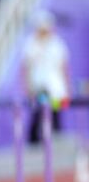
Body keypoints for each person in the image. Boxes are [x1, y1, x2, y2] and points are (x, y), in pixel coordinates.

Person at [23, 10, 70, 144]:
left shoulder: (57, 44)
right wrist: (28, 87)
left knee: (56, 113)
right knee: (38, 114)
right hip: (40, 88)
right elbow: (26, 69)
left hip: (56, 89)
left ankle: (56, 142)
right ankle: (34, 143)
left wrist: (66, 89)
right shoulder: (31, 44)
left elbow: (63, 67)